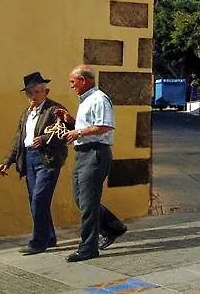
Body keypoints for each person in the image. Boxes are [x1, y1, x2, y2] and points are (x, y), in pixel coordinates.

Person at [52, 65, 128, 262]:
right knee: (82, 200)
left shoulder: (99, 99)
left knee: (88, 203)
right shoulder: (86, 100)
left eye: (72, 82)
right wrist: (70, 122)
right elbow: (88, 126)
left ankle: (88, 247)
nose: (71, 86)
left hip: (95, 153)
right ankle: (113, 227)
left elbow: (105, 126)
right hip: (82, 153)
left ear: (83, 80)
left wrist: (77, 132)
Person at [0, 71, 69, 255]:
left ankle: (38, 242)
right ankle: (50, 236)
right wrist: (8, 161)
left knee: (38, 199)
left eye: (37, 91)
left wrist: (45, 138)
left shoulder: (54, 110)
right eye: (30, 92)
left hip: (48, 159)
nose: (33, 95)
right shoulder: (26, 114)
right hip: (28, 158)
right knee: (36, 200)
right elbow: (18, 139)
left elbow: (65, 132)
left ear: (46, 91)